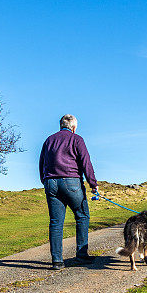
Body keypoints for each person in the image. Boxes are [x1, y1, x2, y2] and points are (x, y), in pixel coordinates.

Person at [39, 114, 98, 270]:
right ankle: (81, 255)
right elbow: (86, 162)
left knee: (56, 222)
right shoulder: (77, 139)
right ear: (73, 127)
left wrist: (45, 180)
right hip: (71, 181)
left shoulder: (49, 140)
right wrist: (93, 183)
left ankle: (57, 261)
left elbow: (42, 163)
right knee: (82, 215)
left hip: (51, 183)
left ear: (61, 125)